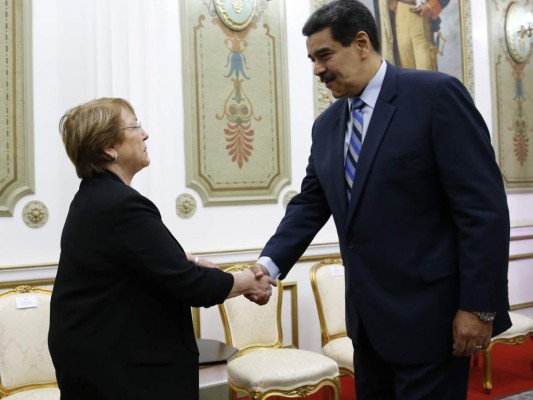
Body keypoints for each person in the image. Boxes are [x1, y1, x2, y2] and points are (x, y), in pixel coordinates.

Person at [249, 1, 511, 399]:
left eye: (324, 56)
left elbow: (482, 210)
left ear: (361, 43)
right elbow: (309, 205)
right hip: (367, 326)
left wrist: (479, 308)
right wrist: (267, 265)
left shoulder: (435, 96)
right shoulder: (327, 126)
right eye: (312, 59)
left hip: (433, 321)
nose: (317, 69)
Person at [48, 97, 275, 400]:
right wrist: (249, 279)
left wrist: (192, 261)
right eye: (135, 126)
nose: (145, 134)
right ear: (109, 148)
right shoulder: (121, 205)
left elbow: (139, 259)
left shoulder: (95, 198)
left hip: (96, 360)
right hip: (123, 373)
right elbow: (191, 287)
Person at [382, 0, 449, 70]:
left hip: (422, 15)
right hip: (400, 15)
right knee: (406, 72)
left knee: (425, 73)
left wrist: (430, 5)